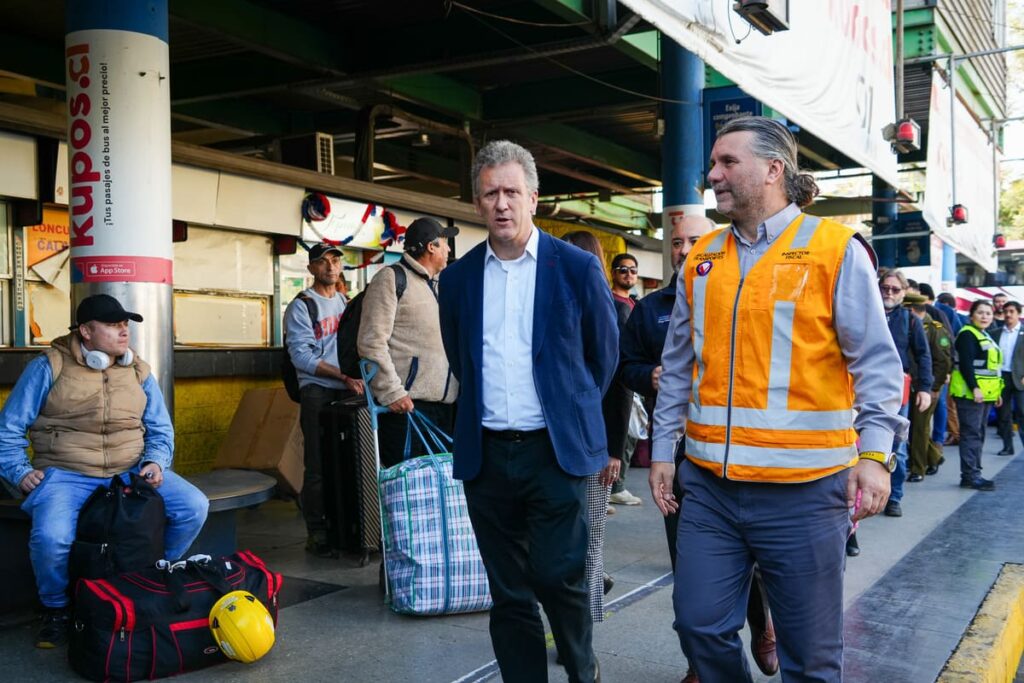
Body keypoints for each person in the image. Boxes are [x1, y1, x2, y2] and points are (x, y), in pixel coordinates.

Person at [649, 116, 906, 682]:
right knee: (699, 627)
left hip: (805, 492)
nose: (712, 174)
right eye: (713, 163)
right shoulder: (704, 258)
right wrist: (664, 450)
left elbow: (878, 364)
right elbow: (677, 365)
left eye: (726, 162)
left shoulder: (835, 249)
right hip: (711, 488)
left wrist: (874, 456)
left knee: (810, 658)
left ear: (773, 170)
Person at [438, 139, 618, 683]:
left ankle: (582, 669)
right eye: (490, 193)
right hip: (488, 455)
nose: (502, 204)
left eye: (512, 192)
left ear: (534, 198)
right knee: (508, 589)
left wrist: (570, 414)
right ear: (476, 203)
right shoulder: (459, 278)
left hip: (554, 453)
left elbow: (601, 359)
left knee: (559, 575)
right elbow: (461, 359)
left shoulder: (577, 268)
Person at [0, 294, 209, 648]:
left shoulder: (138, 370)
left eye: (124, 324)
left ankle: (150, 578)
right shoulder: (48, 366)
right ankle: (56, 609)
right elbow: (8, 428)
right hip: (66, 471)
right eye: (113, 325)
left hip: (129, 469)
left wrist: (155, 461)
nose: (123, 331)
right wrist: (19, 472)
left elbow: (160, 429)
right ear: (85, 331)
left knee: (193, 506)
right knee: (52, 538)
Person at [621, 213, 778, 682]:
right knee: (689, 566)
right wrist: (645, 375)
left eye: (695, 239)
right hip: (681, 451)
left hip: (743, 449)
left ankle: (761, 624)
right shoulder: (651, 308)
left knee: (746, 557)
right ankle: (700, 660)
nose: (684, 248)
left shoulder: (743, 291)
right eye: (676, 242)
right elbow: (624, 364)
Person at [358, 217, 458, 467]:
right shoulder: (391, 279)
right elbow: (371, 342)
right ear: (431, 246)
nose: (448, 249)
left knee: (439, 491)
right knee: (409, 493)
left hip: (443, 408)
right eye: (445, 243)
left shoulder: (440, 283)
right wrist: (392, 392)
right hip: (406, 408)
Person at [284, 243, 364, 559]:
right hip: (317, 390)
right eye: (322, 262)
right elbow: (301, 356)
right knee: (317, 465)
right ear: (311, 269)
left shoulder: (346, 303)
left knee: (348, 462)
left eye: (335, 260)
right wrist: (342, 376)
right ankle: (317, 532)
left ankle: (349, 526)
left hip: (347, 390)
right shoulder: (302, 306)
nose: (331, 266)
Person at [561, 230, 622, 625]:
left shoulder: (609, 311)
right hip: (582, 444)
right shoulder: (567, 309)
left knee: (588, 537)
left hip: (593, 445)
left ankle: (583, 626)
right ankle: (580, 623)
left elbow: (617, 386)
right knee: (584, 538)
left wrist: (612, 450)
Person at [878, 269, 932, 518]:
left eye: (895, 289)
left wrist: (925, 389)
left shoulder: (911, 320)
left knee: (896, 446)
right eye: (885, 287)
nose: (889, 292)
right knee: (859, 445)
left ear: (903, 293)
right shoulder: (866, 313)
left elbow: (923, 355)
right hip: (861, 389)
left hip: (898, 390)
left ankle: (894, 496)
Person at [949, 299, 1003, 491]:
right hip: (971, 395)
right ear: (971, 315)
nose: (985, 316)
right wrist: (975, 388)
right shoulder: (967, 335)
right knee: (971, 434)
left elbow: (992, 369)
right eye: (980, 312)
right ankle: (970, 476)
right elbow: (966, 365)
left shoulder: (984, 335)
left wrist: (996, 393)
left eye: (988, 313)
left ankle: (974, 473)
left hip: (985, 395)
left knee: (978, 434)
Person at [607, 251, 644, 506]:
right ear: (613, 273)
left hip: (632, 377)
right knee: (617, 432)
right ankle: (611, 487)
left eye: (632, 270)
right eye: (623, 269)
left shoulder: (634, 305)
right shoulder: (609, 303)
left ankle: (616, 485)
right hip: (614, 380)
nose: (628, 274)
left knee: (630, 432)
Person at [906, 296, 953, 481]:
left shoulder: (935, 329)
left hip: (926, 387)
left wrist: (933, 388)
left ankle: (918, 469)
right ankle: (934, 457)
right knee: (913, 427)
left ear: (912, 310)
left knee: (919, 428)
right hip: (911, 386)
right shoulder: (909, 326)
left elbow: (943, 362)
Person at [992, 300, 1024, 456]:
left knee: (1022, 413)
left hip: (1020, 378)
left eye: (1012, 311)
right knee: (1003, 414)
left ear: (1019, 313)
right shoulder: (996, 333)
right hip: (1001, 378)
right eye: (1006, 312)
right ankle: (1007, 446)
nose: (1008, 314)